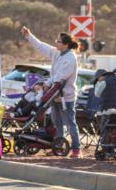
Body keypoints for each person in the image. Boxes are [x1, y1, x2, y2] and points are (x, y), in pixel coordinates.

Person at [20, 27, 81, 158]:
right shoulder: (57, 52)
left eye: (58, 41)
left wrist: (47, 83)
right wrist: (29, 36)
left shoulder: (70, 58)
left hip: (66, 97)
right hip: (54, 95)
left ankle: (76, 149)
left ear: (65, 44)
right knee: (56, 122)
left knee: (70, 123)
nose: (56, 42)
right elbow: (41, 46)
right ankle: (58, 147)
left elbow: (61, 76)